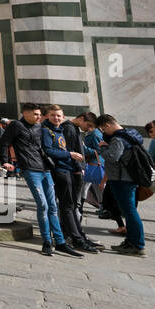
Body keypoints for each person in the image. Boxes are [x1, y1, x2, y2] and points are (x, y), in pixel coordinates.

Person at [1, 103, 82, 257]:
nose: (39, 117)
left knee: (52, 205)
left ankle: (60, 243)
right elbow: (4, 142)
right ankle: (46, 242)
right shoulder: (16, 126)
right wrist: (5, 161)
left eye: (39, 114)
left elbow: (45, 144)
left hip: (46, 169)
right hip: (30, 169)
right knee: (43, 205)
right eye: (36, 114)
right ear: (25, 113)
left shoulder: (40, 127)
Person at [41, 104, 101, 253]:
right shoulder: (62, 128)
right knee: (68, 206)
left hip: (69, 170)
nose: (57, 119)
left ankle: (77, 235)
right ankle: (74, 237)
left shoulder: (61, 128)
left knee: (72, 206)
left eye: (59, 116)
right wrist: (73, 161)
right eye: (53, 115)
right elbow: (57, 150)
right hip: (63, 170)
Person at [96, 114, 148, 256]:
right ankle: (131, 242)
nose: (103, 133)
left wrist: (102, 149)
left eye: (102, 129)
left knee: (130, 212)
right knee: (128, 211)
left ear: (107, 125)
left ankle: (137, 245)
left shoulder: (118, 138)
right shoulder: (128, 135)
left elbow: (113, 157)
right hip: (127, 178)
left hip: (121, 179)